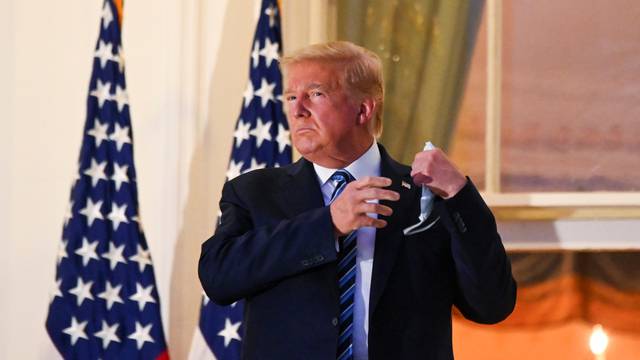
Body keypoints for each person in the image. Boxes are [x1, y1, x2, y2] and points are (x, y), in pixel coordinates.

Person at [199, 41, 516, 360]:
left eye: (316, 94)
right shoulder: (255, 192)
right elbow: (218, 278)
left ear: (364, 109)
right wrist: (328, 224)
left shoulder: (426, 193)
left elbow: (492, 305)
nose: (297, 110)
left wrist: (461, 195)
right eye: (292, 97)